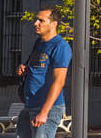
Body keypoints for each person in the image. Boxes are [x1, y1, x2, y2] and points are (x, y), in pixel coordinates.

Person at [16, 7, 70, 138]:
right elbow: (39, 68)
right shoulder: (39, 43)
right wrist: (24, 69)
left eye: (41, 20)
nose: (35, 23)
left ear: (53, 24)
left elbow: (59, 81)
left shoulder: (60, 46)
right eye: (36, 19)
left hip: (47, 108)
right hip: (30, 105)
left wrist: (44, 112)